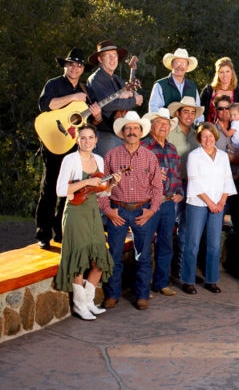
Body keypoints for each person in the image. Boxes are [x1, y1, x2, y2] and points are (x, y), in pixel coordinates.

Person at [35, 48, 103, 248]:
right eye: (71, 64)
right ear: (65, 65)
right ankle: (43, 234)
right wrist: (72, 98)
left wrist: (97, 114)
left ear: (83, 69)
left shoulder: (87, 91)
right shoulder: (54, 84)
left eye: (79, 65)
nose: (75, 68)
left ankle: (60, 232)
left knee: (69, 189)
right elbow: (46, 105)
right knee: (49, 188)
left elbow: (94, 121)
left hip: (74, 145)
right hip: (54, 141)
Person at [98, 111, 163, 311]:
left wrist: (151, 211)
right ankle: (112, 295)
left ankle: (142, 295)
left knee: (143, 256)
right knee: (114, 255)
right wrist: (108, 211)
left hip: (142, 211)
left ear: (141, 132)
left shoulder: (150, 157)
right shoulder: (111, 156)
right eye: (128, 128)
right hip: (118, 211)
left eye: (135, 128)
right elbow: (102, 188)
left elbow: (157, 188)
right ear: (122, 133)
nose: (132, 131)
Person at [53, 125, 116, 320]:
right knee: (79, 259)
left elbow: (103, 191)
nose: (87, 141)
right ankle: (79, 305)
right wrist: (87, 182)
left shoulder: (99, 160)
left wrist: (113, 183)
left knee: (99, 259)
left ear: (96, 140)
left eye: (91, 138)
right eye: (83, 138)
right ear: (77, 140)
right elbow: (61, 190)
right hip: (74, 212)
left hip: (92, 212)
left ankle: (88, 301)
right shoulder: (70, 160)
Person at [180, 123, 237, 294]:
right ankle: (188, 280)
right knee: (192, 243)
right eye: (204, 136)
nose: (207, 139)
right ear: (199, 138)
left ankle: (211, 280)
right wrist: (210, 203)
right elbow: (194, 181)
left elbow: (228, 179)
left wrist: (221, 202)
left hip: (219, 204)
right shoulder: (194, 156)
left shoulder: (222, 156)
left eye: (210, 136)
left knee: (214, 244)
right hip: (197, 204)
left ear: (215, 137)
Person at [141, 108, 184, 297]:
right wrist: (152, 176)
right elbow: (132, 176)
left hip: (168, 203)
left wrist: (180, 192)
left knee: (166, 244)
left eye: (166, 124)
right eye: (159, 123)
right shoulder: (143, 147)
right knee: (142, 246)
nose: (163, 127)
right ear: (151, 125)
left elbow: (177, 176)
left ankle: (161, 283)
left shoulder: (172, 148)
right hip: (148, 202)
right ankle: (142, 288)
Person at [211, 95, 239, 279]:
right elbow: (213, 158)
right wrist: (234, 158)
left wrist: (232, 157)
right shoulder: (211, 131)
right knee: (213, 223)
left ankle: (233, 264)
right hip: (217, 184)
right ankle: (207, 265)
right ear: (216, 111)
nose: (224, 112)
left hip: (238, 181)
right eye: (220, 108)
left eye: (227, 108)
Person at [86, 39, 143, 156]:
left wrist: (133, 95)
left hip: (118, 131)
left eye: (114, 55)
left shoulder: (117, 79)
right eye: (108, 56)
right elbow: (108, 105)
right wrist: (134, 100)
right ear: (100, 59)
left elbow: (128, 96)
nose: (113, 59)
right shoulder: (96, 79)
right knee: (108, 169)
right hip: (104, 133)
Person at [167, 96, 202, 279]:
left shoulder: (198, 134)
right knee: (166, 229)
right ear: (178, 113)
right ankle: (164, 273)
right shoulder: (169, 132)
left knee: (186, 231)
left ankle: (183, 271)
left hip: (191, 187)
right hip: (172, 186)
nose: (189, 115)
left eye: (192, 112)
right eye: (185, 111)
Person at [148, 48, 202, 122]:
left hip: (188, 130)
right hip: (167, 129)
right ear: (172, 64)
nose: (180, 66)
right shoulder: (160, 85)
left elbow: (198, 110)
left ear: (187, 67)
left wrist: (199, 125)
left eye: (184, 63)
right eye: (177, 62)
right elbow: (154, 111)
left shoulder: (192, 86)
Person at [199, 56, 239, 123]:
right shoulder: (208, 91)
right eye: (221, 72)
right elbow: (200, 112)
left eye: (227, 71)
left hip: (232, 131)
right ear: (217, 74)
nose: (225, 75)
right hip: (210, 130)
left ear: (232, 73)